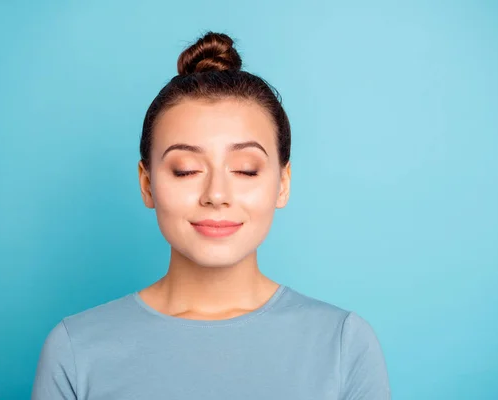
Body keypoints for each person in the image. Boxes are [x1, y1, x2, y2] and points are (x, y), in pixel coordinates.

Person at [31, 31, 391, 399]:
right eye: (186, 170)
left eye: (246, 169)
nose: (216, 195)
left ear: (282, 183)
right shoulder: (76, 350)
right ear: (147, 184)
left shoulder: (343, 345)